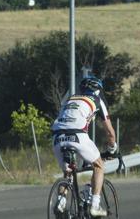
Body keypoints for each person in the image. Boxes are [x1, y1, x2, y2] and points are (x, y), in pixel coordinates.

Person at [51, 75, 118, 217]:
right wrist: (113, 148)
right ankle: (95, 205)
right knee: (99, 165)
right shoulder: (98, 100)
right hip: (78, 135)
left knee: (68, 171)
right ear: (98, 90)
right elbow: (110, 133)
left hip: (57, 137)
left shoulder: (71, 99)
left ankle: (61, 202)